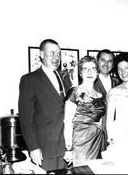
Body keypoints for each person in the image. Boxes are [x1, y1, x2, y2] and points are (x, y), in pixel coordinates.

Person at [18, 39, 68, 171]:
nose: (56, 57)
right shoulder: (29, 80)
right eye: (52, 53)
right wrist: (33, 147)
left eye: (58, 54)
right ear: (41, 54)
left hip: (67, 148)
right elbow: (26, 119)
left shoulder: (65, 78)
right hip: (46, 149)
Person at [63, 56, 107, 167]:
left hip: (98, 141)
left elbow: (102, 121)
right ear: (80, 73)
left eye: (93, 68)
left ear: (97, 73)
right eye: (85, 68)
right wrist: (68, 148)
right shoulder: (74, 92)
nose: (89, 72)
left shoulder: (101, 95)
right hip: (80, 142)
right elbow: (67, 122)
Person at [94, 49, 120, 140]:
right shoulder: (90, 82)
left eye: (109, 61)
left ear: (113, 64)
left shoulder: (118, 82)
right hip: (97, 133)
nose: (106, 64)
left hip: (116, 131)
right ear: (97, 62)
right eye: (103, 60)